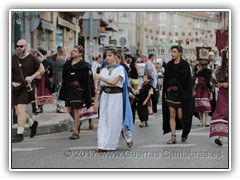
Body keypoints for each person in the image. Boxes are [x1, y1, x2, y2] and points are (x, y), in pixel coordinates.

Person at [93, 44, 134, 152]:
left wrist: (100, 77)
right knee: (103, 120)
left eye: (110, 55)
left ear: (116, 56)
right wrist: (96, 101)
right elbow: (100, 87)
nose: (108, 58)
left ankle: (120, 139)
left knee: (114, 121)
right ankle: (102, 145)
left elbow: (114, 82)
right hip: (105, 97)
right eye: (106, 55)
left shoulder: (120, 69)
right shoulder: (104, 70)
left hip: (116, 98)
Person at [12, 39, 45, 143]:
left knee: (21, 109)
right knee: (19, 112)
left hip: (27, 87)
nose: (19, 48)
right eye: (17, 46)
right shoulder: (13, 58)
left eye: (21, 46)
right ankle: (32, 124)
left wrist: (31, 77)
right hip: (15, 88)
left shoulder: (32, 58)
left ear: (26, 47)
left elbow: (42, 69)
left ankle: (19, 134)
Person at [59, 46, 92, 140]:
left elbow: (87, 81)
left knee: (75, 109)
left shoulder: (84, 65)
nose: (73, 52)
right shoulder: (68, 64)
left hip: (78, 90)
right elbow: (65, 77)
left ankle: (75, 131)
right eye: (73, 50)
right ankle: (78, 123)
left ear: (80, 53)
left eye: (75, 51)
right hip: (69, 89)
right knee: (69, 110)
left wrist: (88, 95)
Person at [162, 45, 193, 144]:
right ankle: (173, 137)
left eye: (174, 51)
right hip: (171, 93)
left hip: (181, 94)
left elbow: (187, 81)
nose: (172, 53)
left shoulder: (184, 65)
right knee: (171, 114)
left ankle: (185, 131)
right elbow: (166, 79)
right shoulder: (169, 65)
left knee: (180, 116)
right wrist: (167, 90)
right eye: (171, 51)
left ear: (180, 53)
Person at [210, 48, 229, 146]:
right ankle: (220, 138)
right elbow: (212, 80)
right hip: (223, 94)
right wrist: (221, 85)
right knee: (221, 113)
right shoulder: (220, 68)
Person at [192, 60, 213, 127]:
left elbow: (211, 85)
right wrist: (193, 91)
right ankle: (201, 120)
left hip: (206, 91)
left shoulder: (209, 74)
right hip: (199, 91)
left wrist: (211, 93)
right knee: (200, 106)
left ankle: (206, 121)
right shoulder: (198, 75)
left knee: (206, 106)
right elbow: (195, 84)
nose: (200, 67)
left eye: (201, 66)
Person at [34, 48, 54, 113]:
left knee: (41, 92)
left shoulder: (40, 59)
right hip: (39, 77)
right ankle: (40, 107)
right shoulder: (38, 59)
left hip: (41, 77)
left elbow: (43, 58)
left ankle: (40, 107)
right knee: (40, 92)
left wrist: (37, 52)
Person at [54, 47, 68, 113]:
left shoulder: (58, 58)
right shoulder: (61, 59)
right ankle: (59, 107)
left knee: (59, 92)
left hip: (58, 78)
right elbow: (67, 66)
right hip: (60, 78)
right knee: (60, 93)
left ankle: (60, 107)